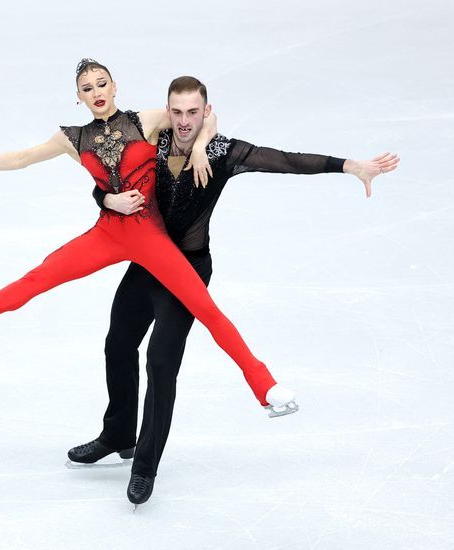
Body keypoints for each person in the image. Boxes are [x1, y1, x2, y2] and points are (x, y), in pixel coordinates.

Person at [0, 60, 299, 507]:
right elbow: (22, 158)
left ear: (115, 85)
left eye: (102, 83)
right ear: (79, 96)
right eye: (87, 88)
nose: (97, 91)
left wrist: (200, 146)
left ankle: (265, 386)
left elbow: (207, 117)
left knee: (204, 306)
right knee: (38, 277)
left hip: (150, 235)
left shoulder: (146, 119)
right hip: (106, 233)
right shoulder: (73, 138)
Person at [67, 76, 399, 505]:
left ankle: (144, 465)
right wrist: (103, 199)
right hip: (148, 261)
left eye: (194, 113)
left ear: (206, 113)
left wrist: (349, 165)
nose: (184, 121)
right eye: (177, 112)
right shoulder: (155, 142)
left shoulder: (224, 153)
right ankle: (118, 434)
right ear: (167, 112)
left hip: (187, 269)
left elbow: (287, 160)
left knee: (160, 363)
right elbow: (109, 175)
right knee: (118, 343)